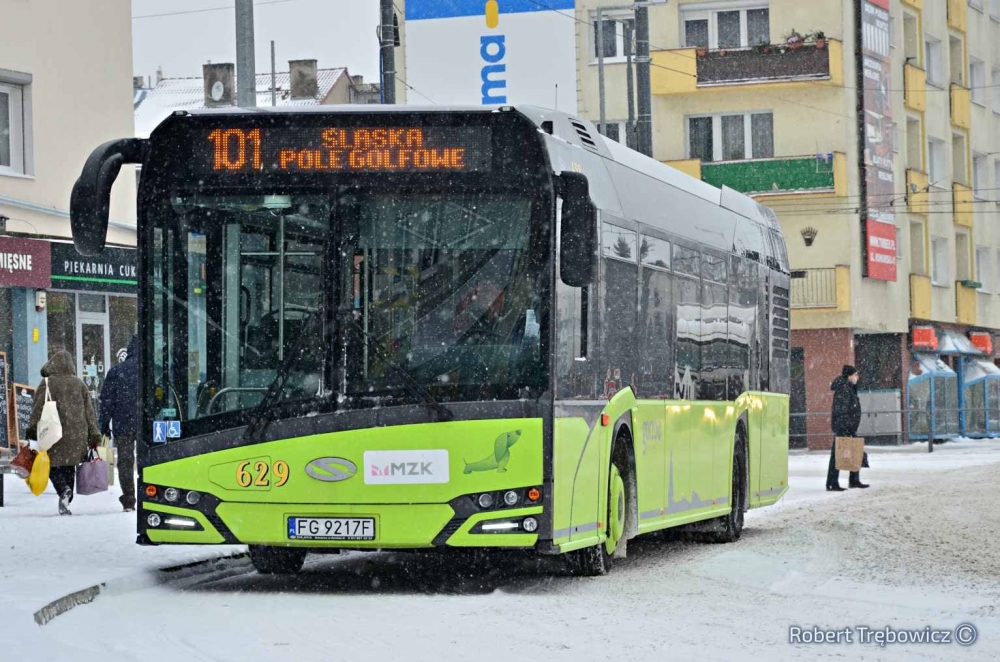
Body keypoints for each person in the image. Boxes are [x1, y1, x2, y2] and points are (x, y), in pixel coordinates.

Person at [26, 350, 102, 515]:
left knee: (53, 465)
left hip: (53, 432)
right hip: (77, 433)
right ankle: (67, 498)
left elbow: (37, 408)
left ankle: (63, 490)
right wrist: (94, 433)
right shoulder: (80, 384)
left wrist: (32, 429)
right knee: (69, 466)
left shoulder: (47, 384)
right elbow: (90, 413)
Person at [100, 334, 138, 512]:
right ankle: (150, 494)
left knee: (125, 461)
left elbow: (107, 401)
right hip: (146, 425)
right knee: (148, 460)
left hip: (123, 424)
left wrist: (104, 425)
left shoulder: (116, 371)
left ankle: (129, 499)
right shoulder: (152, 370)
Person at [827, 364, 869, 491]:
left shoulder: (849, 387)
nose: (857, 377)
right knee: (838, 454)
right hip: (844, 426)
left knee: (854, 451)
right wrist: (846, 427)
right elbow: (842, 410)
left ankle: (853, 480)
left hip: (849, 426)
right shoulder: (844, 389)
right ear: (850, 376)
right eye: (855, 374)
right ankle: (833, 483)